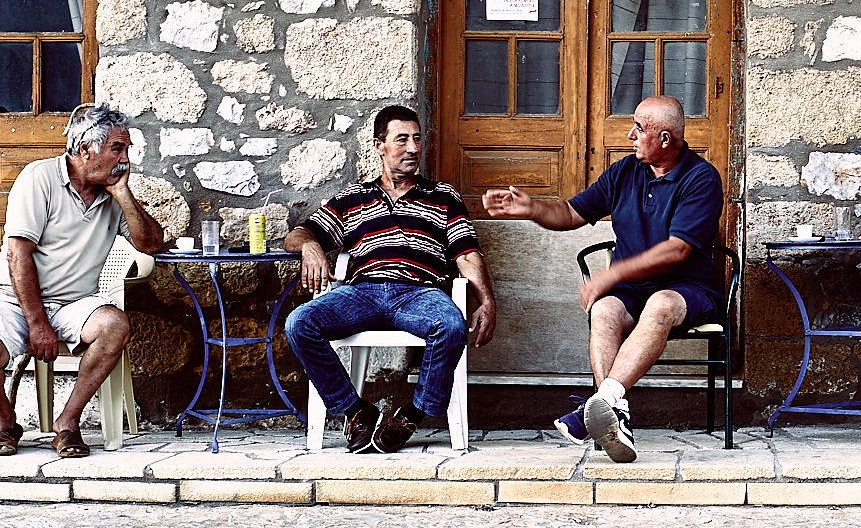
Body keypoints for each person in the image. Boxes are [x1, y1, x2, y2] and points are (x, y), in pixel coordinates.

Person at [482, 96, 723, 464]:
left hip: (687, 289)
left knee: (660, 305)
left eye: (639, 129)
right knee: (605, 308)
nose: (630, 135)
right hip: (633, 291)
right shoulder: (624, 171)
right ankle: (614, 413)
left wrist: (611, 273)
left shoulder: (701, 178)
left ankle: (595, 408)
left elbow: (677, 250)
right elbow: (569, 212)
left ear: (664, 139)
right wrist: (532, 208)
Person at [284, 105, 496, 453]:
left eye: (416, 139)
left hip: (420, 293)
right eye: (402, 140)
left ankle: (412, 415)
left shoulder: (443, 197)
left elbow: (467, 254)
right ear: (379, 145)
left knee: (451, 325)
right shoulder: (351, 199)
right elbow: (298, 235)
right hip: (361, 293)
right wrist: (310, 247)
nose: (412, 148)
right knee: (299, 323)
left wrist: (486, 301)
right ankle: (355, 410)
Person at [0, 103, 165, 459]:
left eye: (127, 149)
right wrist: (37, 323)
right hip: (13, 299)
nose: (126, 159)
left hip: (74, 303)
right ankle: (6, 421)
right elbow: (17, 256)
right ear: (85, 148)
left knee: (114, 325)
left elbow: (150, 244)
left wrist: (123, 195)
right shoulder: (38, 178)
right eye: (118, 148)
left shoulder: (112, 193)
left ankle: (67, 423)